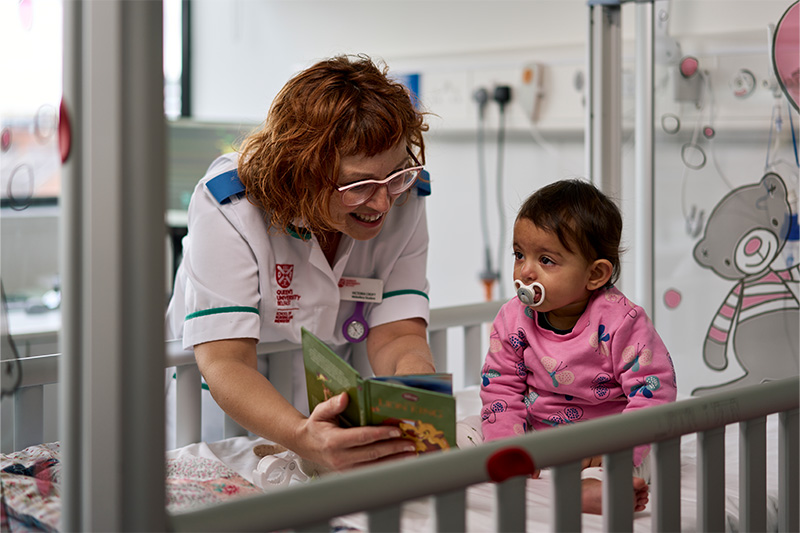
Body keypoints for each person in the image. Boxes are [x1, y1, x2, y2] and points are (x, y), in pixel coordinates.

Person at [166, 54, 436, 472]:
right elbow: (226, 360)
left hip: (328, 426)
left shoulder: (404, 194)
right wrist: (301, 435)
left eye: (395, 175)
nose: (383, 203)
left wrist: (418, 401)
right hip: (223, 426)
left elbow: (398, 334)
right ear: (301, 170)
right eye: (359, 185)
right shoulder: (231, 206)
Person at [479, 178, 677, 514]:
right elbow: (499, 386)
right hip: (536, 436)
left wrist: (615, 449)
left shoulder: (621, 323)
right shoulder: (513, 318)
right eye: (519, 254)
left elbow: (653, 393)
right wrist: (509, 447)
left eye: (546, 260)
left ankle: (596, 490)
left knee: (632, 462)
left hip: (605, 442)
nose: (525, 271)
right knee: (465, 433)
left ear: (595, 275)